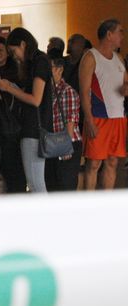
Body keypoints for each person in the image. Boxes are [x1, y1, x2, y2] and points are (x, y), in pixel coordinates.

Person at [0, 27, 54, 193]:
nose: (13, 55)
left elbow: (35, 99)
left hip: (34, 130)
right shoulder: (37, 61)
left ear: (23, 44)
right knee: (36, 181)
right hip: (34, 128)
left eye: (12, 50)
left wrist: (9, 88)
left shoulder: (39, 61)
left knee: (35, 183)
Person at [79, 18, 128, 190]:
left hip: (118, 118)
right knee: (93, 164)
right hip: (99, 118)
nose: (122, 35)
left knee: (113, 162)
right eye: (120, 31)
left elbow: (125, 85)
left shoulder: (119, 58)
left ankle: (106, 205)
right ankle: (90, 207)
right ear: (109, 34)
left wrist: (125, 88)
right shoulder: (90, 57)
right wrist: (89, 120)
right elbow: (84, 92)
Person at [0, 36, 26, 193]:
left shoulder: (16, 70)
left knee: (13, 164)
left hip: (14, 123)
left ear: (8, 52)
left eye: (1, 50)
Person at [45, 57, 83, 192]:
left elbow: (70, 121)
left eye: (48, 68)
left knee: (66, 187)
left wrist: (65, 147)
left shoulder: (67, 91)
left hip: (68, 143)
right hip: (52, 143)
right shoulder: (46, 90)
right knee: (52, 186)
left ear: (60, 70)